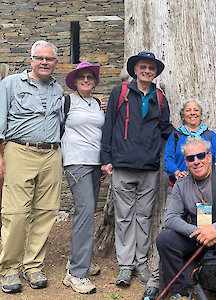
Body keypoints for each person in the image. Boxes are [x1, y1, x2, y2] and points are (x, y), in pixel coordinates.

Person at [100, 51, 174, 286]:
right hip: (122, 164)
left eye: (151, 68)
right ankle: (124, 266)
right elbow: (109, 125)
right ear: (135, 70)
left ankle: (141, 263)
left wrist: (188, 137)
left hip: (150, 167)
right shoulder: (120, 92)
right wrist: (106, 158)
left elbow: (165, 128)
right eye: (143, 67)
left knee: (144, 217)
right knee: (123, 218)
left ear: (155, 72)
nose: (147, 71)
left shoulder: (160, 98)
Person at [142, 99, 216, 300]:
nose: (192, 113)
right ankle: (158, 282)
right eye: (188, 110)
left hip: (206, 190)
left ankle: (207, 272)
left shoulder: (209, 134)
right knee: (170, 233)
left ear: (201, 114)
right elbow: (169, 159)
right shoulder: (176, 135)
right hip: (182, 188)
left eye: (196, 110)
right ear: (183, 114)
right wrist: (176, 172)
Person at [0, 40, 63, 293]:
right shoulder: (11, 84)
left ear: (55, 63)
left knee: (46, 211)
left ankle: (33, 265)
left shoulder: (58, 89)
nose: (45, 63)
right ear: (31, 60)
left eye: (49, 59)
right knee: (15, 213)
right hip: (19, 151)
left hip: (51, 154)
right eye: (40, 58)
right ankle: (9, 269)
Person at [157, 137, 216, 300]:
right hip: (198, 241)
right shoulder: (181, 184)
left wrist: (215, 229)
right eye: (190, 158)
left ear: (209, 156)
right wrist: (199, 232)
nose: (196, 161)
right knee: (165, 239)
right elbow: (170, 218)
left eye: (201, 155)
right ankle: (181, 291)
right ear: (185, 162)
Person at [60, 62, 105, 294]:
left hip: (95, 162)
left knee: (88, 213)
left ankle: (78, 259)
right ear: (75, 81)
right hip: (75, 162)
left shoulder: (97, 103)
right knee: (86, 211)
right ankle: (76, 273)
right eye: (82, 77)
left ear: (94, 81)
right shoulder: (67, 101)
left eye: (89, 77)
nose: (86, 80)